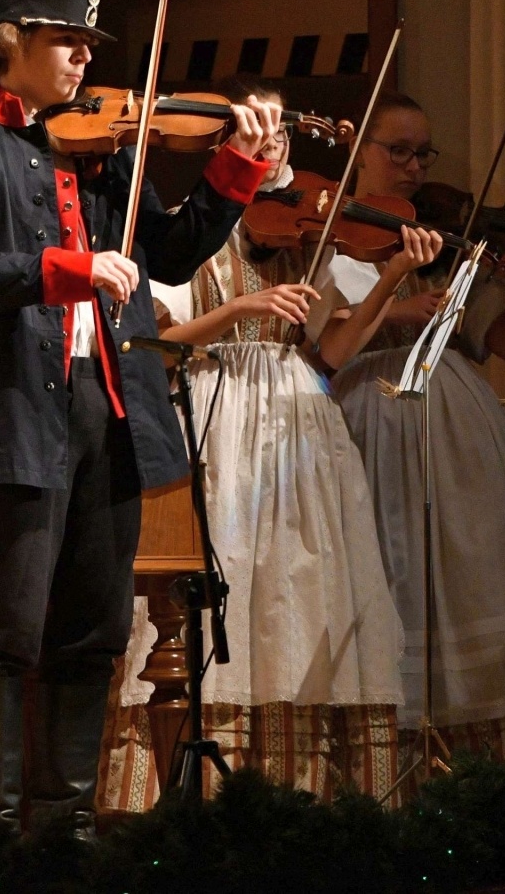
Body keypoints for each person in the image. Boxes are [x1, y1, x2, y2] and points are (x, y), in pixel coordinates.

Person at [0, 0, 277, 838]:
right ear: (12, 45)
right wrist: (67, 271)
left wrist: (239, 165)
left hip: (108, 413)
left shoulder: (108, 155)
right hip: (13, 419)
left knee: (96, 634)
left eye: (87, 44)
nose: (81, 57)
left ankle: (65, 829)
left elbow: (176, 252)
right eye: (65, 40)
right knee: (5, 633)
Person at [103, 80, 405, 807]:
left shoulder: (309, 242)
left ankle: (300, 796)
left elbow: (329, 350)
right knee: (230, 585)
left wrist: (393, 273)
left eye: (282, 141)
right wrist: (241, 307)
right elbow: (154, 340)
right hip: (220, 410)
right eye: (259, 136)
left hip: (300, 426)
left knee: (299, 591)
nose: (274, 154)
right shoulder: (190, 234)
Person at [317, 92, 505, 763]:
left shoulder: (450, 242)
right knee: (385, 570)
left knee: (472, 572)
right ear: (362, 154)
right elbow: (317, 341)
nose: (414, 168)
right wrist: (394, 306)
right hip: (363, 414)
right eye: (399, 152)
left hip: (454, 425)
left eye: (423, 154)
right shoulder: (322, 238)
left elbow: (504, 341)